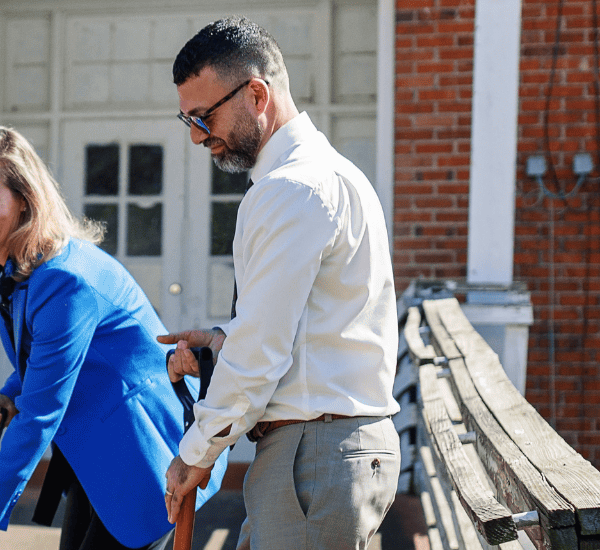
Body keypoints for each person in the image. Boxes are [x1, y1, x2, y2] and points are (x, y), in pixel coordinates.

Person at [160, 17, 403, 550]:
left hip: (314, 453)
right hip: (321, 450)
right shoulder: (325, 175)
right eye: (189, 121)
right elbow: (307, 327)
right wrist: (224, 339)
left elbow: (261, 351)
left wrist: (195, 453)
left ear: (256, 94)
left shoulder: (293, 188)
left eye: (204, 117)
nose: (199, 137)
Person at [0, 126, 225, 550]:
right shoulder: (10, 268)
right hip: (94, 460)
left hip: (141, 459)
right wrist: (10, 394)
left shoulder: (63, 280)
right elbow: (47, 361)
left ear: (24, 202)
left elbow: (41, 413)